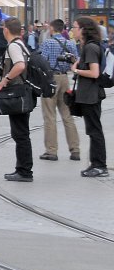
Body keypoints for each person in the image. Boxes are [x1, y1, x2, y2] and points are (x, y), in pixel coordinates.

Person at [69, 17, 108, 178]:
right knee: (93, 130)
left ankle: (99, 165)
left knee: (95, 131)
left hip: (91, 95)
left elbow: (94, 73)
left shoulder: (91, 48)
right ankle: (96, 164)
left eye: (75, 27)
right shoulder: (88, 47)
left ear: (84, 29)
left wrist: (76, 70)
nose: (73, 30)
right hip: (89, 94)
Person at [0, 17, 33, 182]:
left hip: (17, 93)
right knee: (21, 133)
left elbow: (20, 65)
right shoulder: (21, 44)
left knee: (20, 134)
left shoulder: (13, 46)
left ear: (6, 30)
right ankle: (23, 169)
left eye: (3, 27)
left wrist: (5, 79)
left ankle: (24, 171)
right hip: (23, 92)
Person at [37, 19, 80, 162]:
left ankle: (51, 151)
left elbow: (42, 61)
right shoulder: (71, 44)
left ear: (51, 29)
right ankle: (75, 150)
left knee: (50, 116)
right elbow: (76, 61)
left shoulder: (48, 43)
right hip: (65, 79)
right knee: (67, 115)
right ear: (63, 29)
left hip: (51, 79)